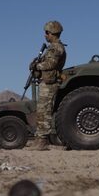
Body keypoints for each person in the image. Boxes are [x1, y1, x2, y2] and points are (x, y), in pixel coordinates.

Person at [30, 20, 66, 150]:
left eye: (46, 33)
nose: (45, 35)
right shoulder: (53, 47)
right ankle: (39, 139)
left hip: (50, 84)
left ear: (52, 33)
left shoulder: (57, 48)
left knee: (44, 112)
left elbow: (51, 64)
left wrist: (37, 66)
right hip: (46, 82)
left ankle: (43, 140)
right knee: (41, 111)